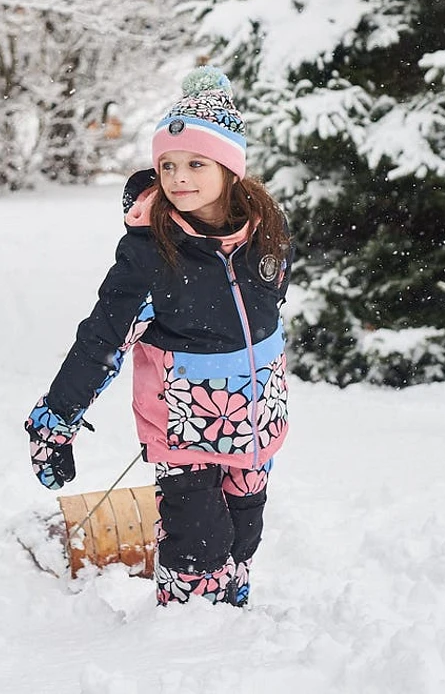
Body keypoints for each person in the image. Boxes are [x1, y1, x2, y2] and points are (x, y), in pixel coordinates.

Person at [25, 66, 293, 607]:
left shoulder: (266, 231)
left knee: (244, 536)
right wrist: (55, 422)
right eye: (168, 165)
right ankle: (186, 645)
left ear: (229, 169)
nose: (179, 177)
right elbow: (101, 340)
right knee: (198, 549)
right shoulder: (152, 254)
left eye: (196, 163)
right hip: (183, 425)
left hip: (257, 424)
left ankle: (232, 621)